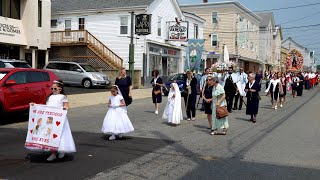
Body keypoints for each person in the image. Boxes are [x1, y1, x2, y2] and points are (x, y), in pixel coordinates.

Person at [45, 80, 76, 161]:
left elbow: (66, 106)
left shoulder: (63, 97)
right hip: (51, 119)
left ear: (60, 89)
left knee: (60, 134)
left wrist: (64, 109)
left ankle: (62, 149)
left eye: (55, 88)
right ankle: (53, 153)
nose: (53, 90)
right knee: (51, 135)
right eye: (52, 88)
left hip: (60, 119)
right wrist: (35, 106)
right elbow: (46, 107)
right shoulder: (50, 97)